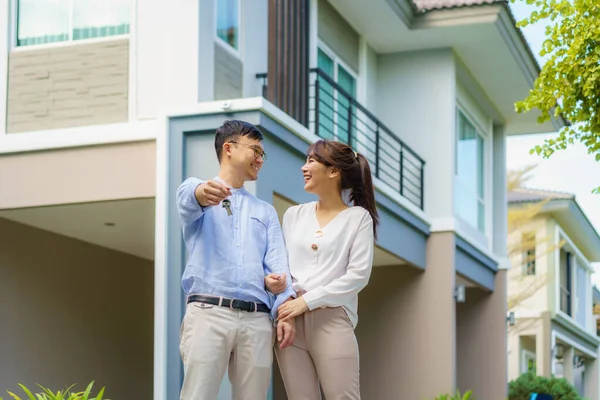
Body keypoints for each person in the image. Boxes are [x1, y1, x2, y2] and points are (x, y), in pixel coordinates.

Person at [176, 120, 296, 400]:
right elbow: (187, 197)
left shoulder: (265, 212)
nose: (260, 159)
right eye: (255, 150)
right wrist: (201, 192)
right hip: (208, 312)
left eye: (262, 154)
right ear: (228, 148)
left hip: (257, 320)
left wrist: (282, 299)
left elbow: (279, 266)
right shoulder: (200, 193)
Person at [272, 139, 379, 400]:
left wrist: (307, 302)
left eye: (311, 160)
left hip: (331, 319)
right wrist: (284, 305)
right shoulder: (293, 215)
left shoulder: (358, 218)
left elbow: (357, 276)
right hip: (289, 321)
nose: (303, 167)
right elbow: (282, 267)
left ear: (333, 171)